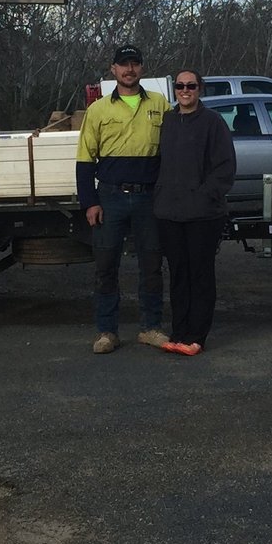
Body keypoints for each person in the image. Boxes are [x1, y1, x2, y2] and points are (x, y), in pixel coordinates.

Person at [76, 44, 168, 353]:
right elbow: (85, 160)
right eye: (123, 64)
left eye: (135, 64)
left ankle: (151, 328)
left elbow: (174, 150)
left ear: (142, 68)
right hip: (111, 198)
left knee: (152, 266)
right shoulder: (98, 109)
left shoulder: (160, 105)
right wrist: (90, 202)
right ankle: (106, 332)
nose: (129, 69)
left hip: (149, 198)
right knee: (105, 266)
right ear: (113, 69)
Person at [152, 69, 237, 356]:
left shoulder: (213, 123)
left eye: (191, 86)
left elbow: (225, 168)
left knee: (200, 274)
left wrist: (203, 196)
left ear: (200, 88)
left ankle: (196, 336)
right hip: (170, 214)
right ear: (174, 90)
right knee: (178, 274)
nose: (185, 90)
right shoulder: (168, 121)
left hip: (203, 215)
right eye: (180, 86)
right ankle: (179, 332)